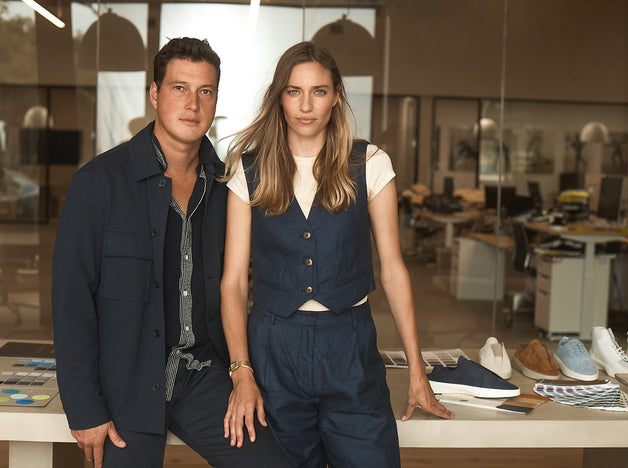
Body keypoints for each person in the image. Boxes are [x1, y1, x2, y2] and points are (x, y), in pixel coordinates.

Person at [52, 37, 289, 468]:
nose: (193, 104)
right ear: (155, 93)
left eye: (206, 91)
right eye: (179, 88)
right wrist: (85, 409)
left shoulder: (225, 188)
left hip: (202, 375)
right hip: (125, 384)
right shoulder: (98, 184)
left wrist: (242, 372)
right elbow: (72, 305)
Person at [220, 41, 454, 468]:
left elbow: (394, 271)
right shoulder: (247, 170)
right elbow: (234, 281)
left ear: (337, 96)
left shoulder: (371, 163)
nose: (306, 105)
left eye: (319, 91)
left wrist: (417, 368)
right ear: (279, 97)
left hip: (349, 347)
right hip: (274, 347)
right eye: (294, 91)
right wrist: (242, 372)